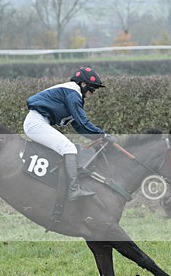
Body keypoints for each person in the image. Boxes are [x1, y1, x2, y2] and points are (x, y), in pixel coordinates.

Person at [23, 66, 114, 200]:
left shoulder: (72, 94)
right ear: (83, 84)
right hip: (36, 123)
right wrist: (103, 134)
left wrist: (98, 136)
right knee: (69, 148)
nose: (93, 92)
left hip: (38, 122)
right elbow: (83, 122)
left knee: (70, 147)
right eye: (92, 88)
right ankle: (73, 190)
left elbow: (79, 127)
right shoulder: (73, 94)